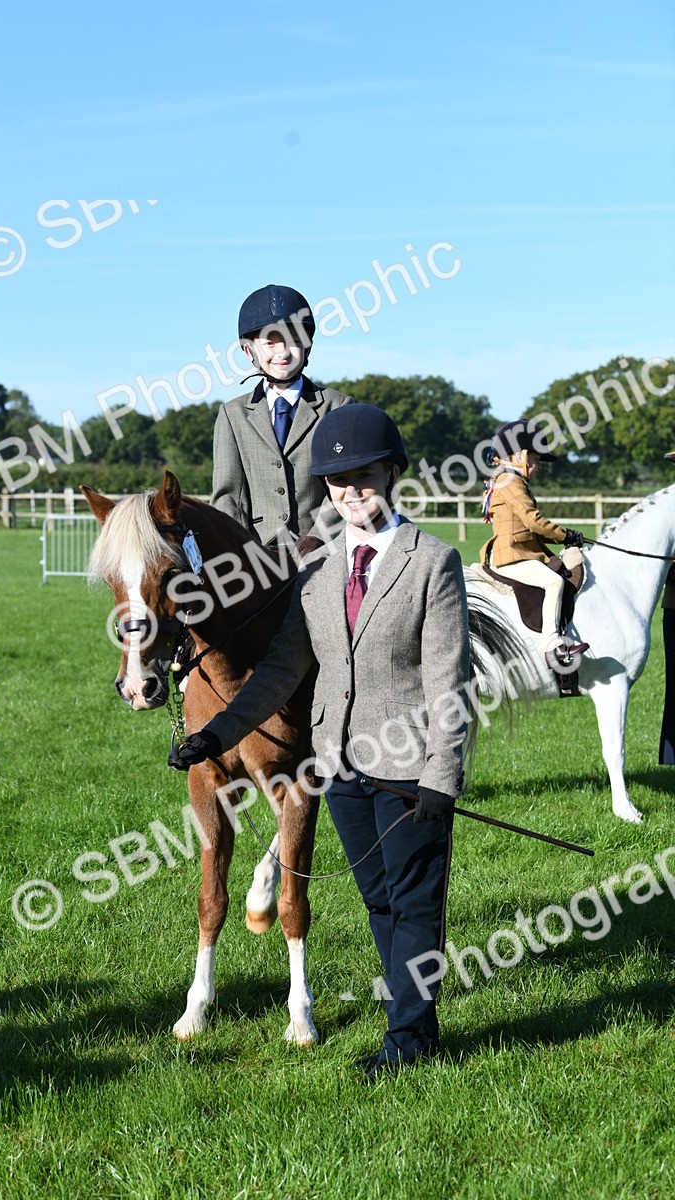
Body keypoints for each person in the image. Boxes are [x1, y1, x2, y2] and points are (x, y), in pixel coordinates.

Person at [171, 403, 471, 1079]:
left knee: (416, 903)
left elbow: (452, 683)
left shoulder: (435, 563)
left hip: (410, 767)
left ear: (392, 474)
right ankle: (409, 1022)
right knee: (380, 902)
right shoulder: (320, 569)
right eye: (338, 482)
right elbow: (281, 670)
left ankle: (410, 1040)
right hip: (339, 767)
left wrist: (442, 778)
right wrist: (214, 734)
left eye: (363, 477)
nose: (351, 492)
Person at [211, 284, 353, 545]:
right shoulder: (232, 415)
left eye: (293, 340)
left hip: (324, 549)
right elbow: (227, 497)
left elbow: (346, 487)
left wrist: (315, 541)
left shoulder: (337, 406)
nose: (283, 352)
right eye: (270, 343)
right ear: (249, 350)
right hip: (258, 553)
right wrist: (246, 549)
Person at [481, 419, 589, 669]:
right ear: (522, 455)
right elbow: (533, 521)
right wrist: (565, 535)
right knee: (554, 581)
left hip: (525, 552)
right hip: (513, 557)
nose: (538, 466)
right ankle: (553, 647)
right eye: (537, 459)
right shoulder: (510, 481)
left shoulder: (507, 480)